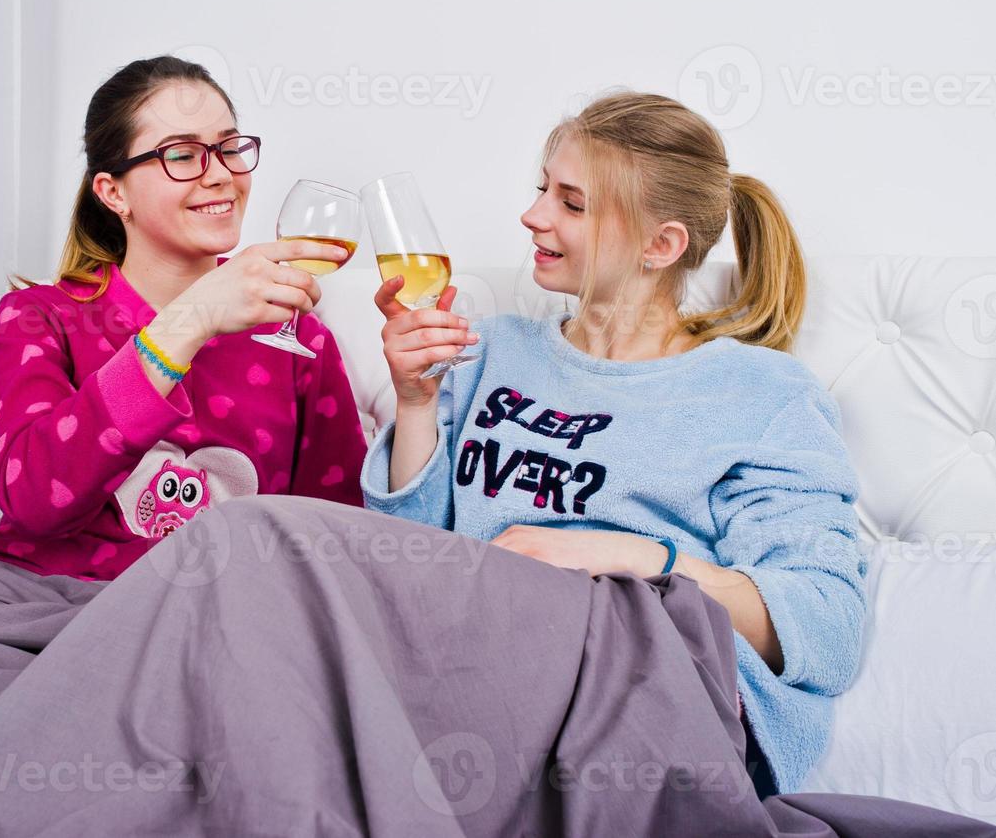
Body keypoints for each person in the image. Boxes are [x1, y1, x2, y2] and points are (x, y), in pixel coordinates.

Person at [362, 90, 866, 798]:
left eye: (572, 203)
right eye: (542, 189)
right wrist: (415, 403)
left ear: (660, 245)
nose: (532, 215)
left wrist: (625, 558)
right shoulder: (488, 353)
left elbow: (827, 626)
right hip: (472, 672)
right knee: (263, 537)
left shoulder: (763, 395)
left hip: (640, 695)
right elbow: (407, 569)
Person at [0, 55, 368, 593]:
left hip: (217, 619)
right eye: (182, 154)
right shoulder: (37, 318)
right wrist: (191, 321)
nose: (220, 173)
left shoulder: (297, 336)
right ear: (113, 192)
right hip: (45, 599)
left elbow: (336, 527)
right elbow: (34, 500)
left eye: (229, 148)